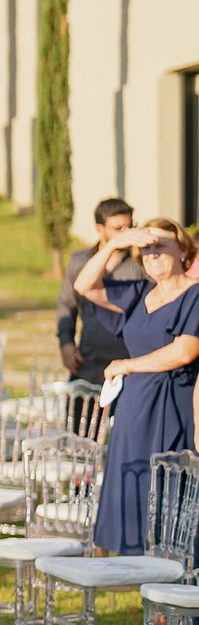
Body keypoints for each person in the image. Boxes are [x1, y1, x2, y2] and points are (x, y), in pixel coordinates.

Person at [74, 220, 199, 555]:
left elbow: (185, 351)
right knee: (130, 484)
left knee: (166, 491)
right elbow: (84, 285)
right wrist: (113, 245)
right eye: (146, 248)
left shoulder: (195, 295)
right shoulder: (139, 293)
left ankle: (170, 571)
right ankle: (131, 565)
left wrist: (127, 365)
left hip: (172, 404)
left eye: (160, 246)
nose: (152, 253)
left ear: (183, 250)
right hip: (134, 407)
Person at [59, 198, 143, 384]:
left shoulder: (141, 263)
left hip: (127, 363)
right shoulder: (79, 261)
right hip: (88, 362)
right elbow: (66, 304)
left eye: (130, 226)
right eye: (118, 229)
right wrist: (66, 344)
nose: (126, 233)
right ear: (100, 228)